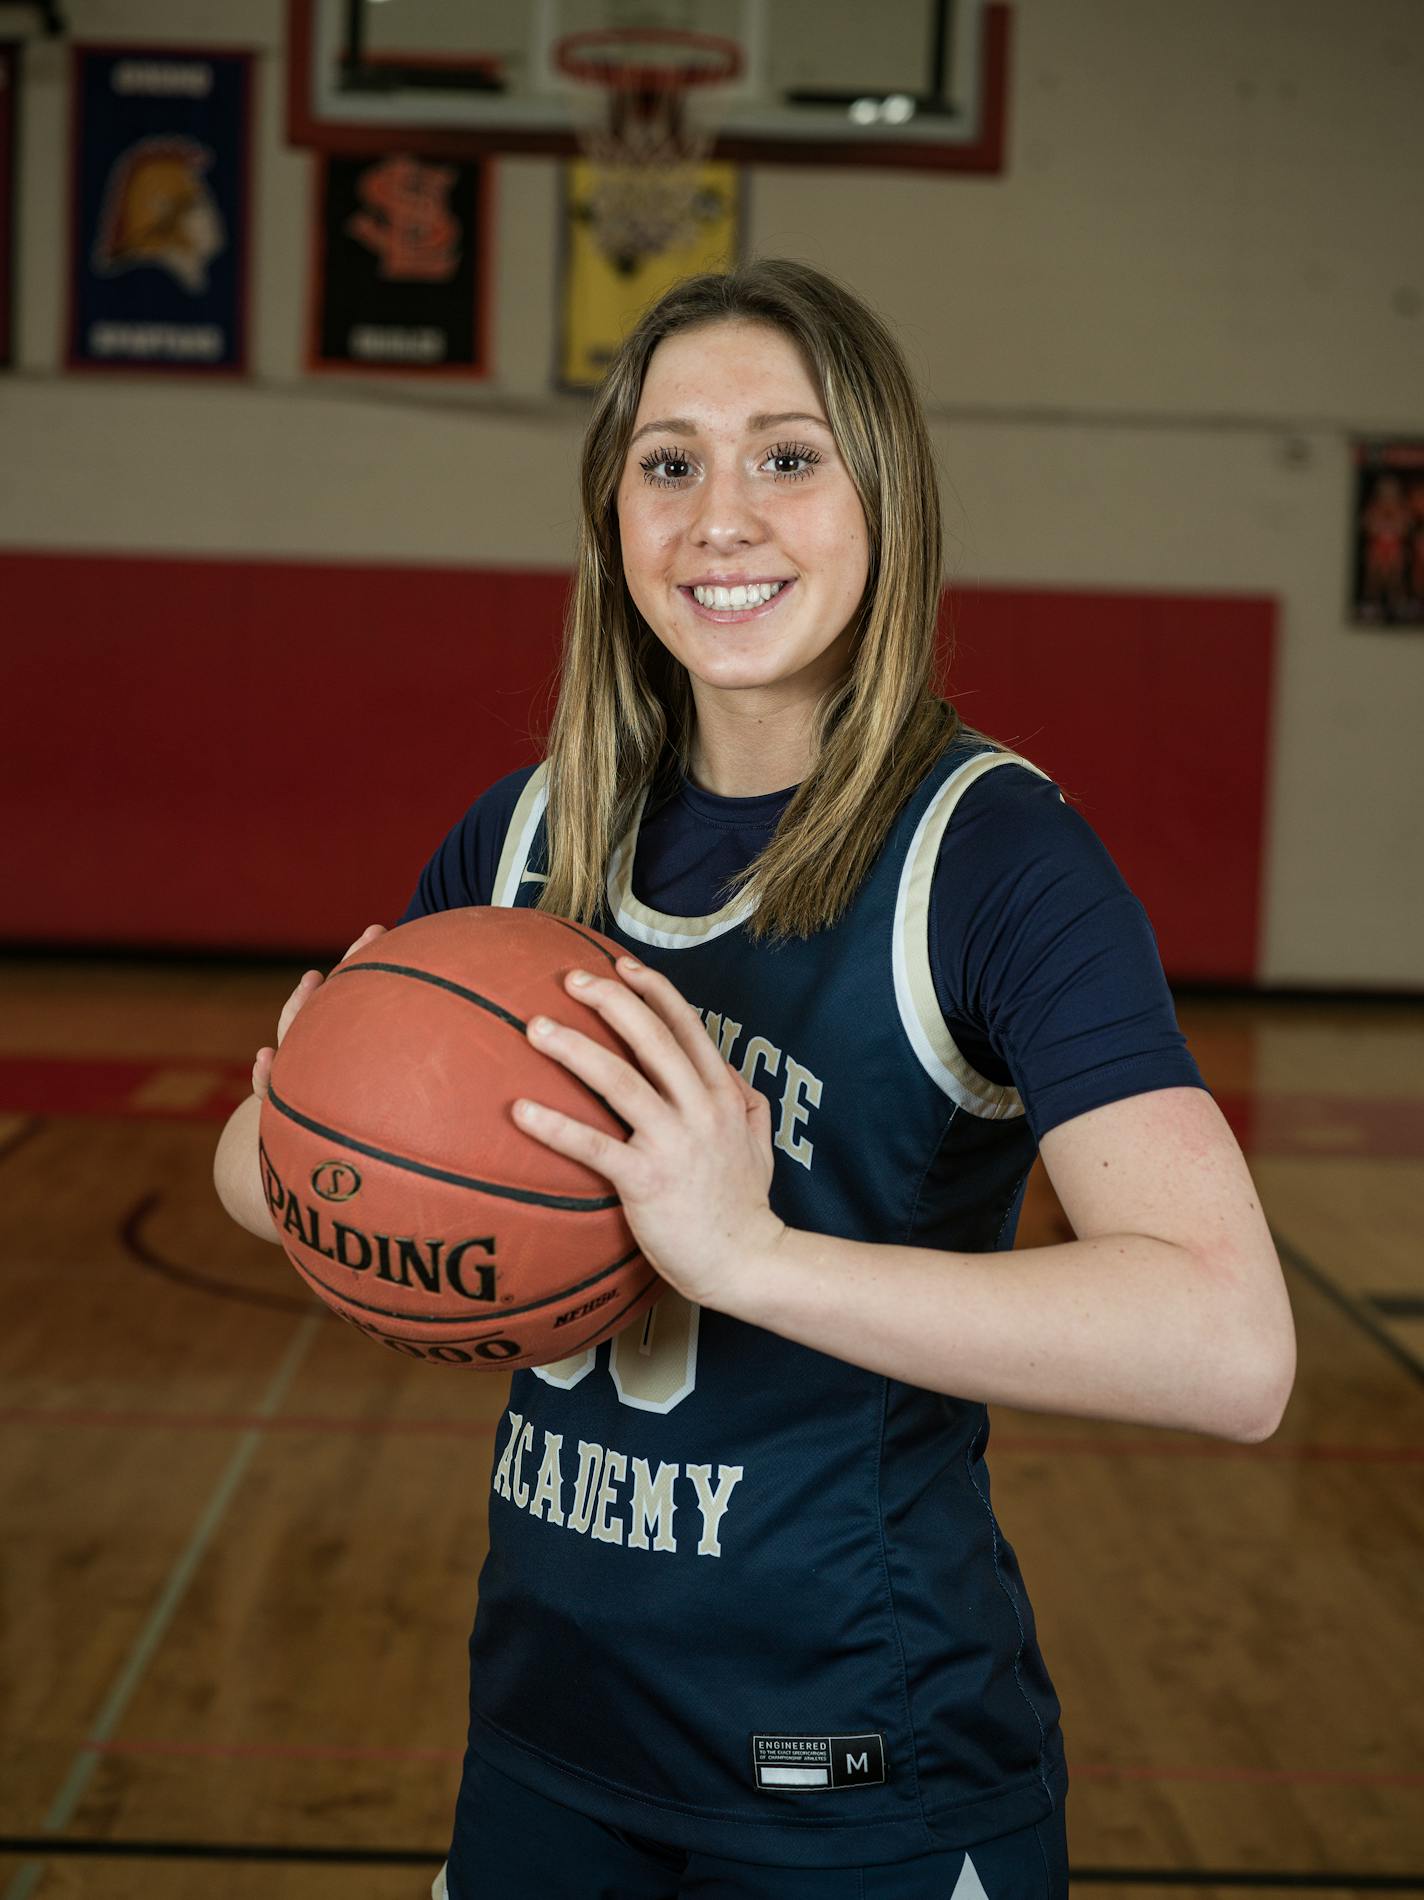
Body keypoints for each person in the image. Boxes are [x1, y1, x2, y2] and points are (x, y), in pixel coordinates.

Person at [215, 259, 1297, 1899]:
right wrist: (310, 1120)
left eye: (788, 456)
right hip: (546, 1734)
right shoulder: (527, 836)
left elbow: (1229, 1347)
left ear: (886, 504)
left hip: (848, 1765)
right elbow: (254, 1173)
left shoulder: (995, 860)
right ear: (614, 518)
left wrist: (750, 1258)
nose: (722, 514)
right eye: (670, 462)